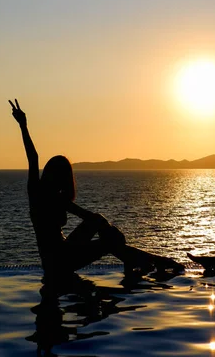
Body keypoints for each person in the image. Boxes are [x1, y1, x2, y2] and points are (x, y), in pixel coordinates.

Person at [9, 99, 184, 283]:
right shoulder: (37, 193)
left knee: (99, 223)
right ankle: (156, 261)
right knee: (109, 240)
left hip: (62, 253)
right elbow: (33, 157)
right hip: (59, 262)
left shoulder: (58, 199)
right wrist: (23, 126)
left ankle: (146, 260)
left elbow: (91, 218)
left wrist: (110, 231)